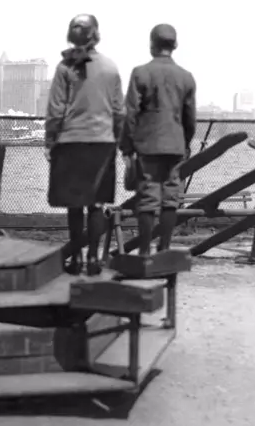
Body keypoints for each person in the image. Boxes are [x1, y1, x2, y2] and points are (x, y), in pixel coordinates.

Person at [45, 14, 125, 276]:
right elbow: (118, 111)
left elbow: (56, 109)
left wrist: (50, 141)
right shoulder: (111, 68)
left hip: (71, 142)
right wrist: (119, 143)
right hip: (102, 143)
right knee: (98, 203)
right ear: (96, 34)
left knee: (74, 205)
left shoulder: (64, 67)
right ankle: (93, 258)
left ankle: (76, 259)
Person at [120, 24, 197, 256]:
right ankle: (164, 249)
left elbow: (130, 114)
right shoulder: (186, 77)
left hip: (148, 146)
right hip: (174, 146)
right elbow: (189, 119)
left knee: (147, 199)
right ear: (174, 46)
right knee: (170, 199)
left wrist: (126, 147)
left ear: (152, 44)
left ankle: (144, 252)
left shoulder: (140, 73)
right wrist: (184, 143)